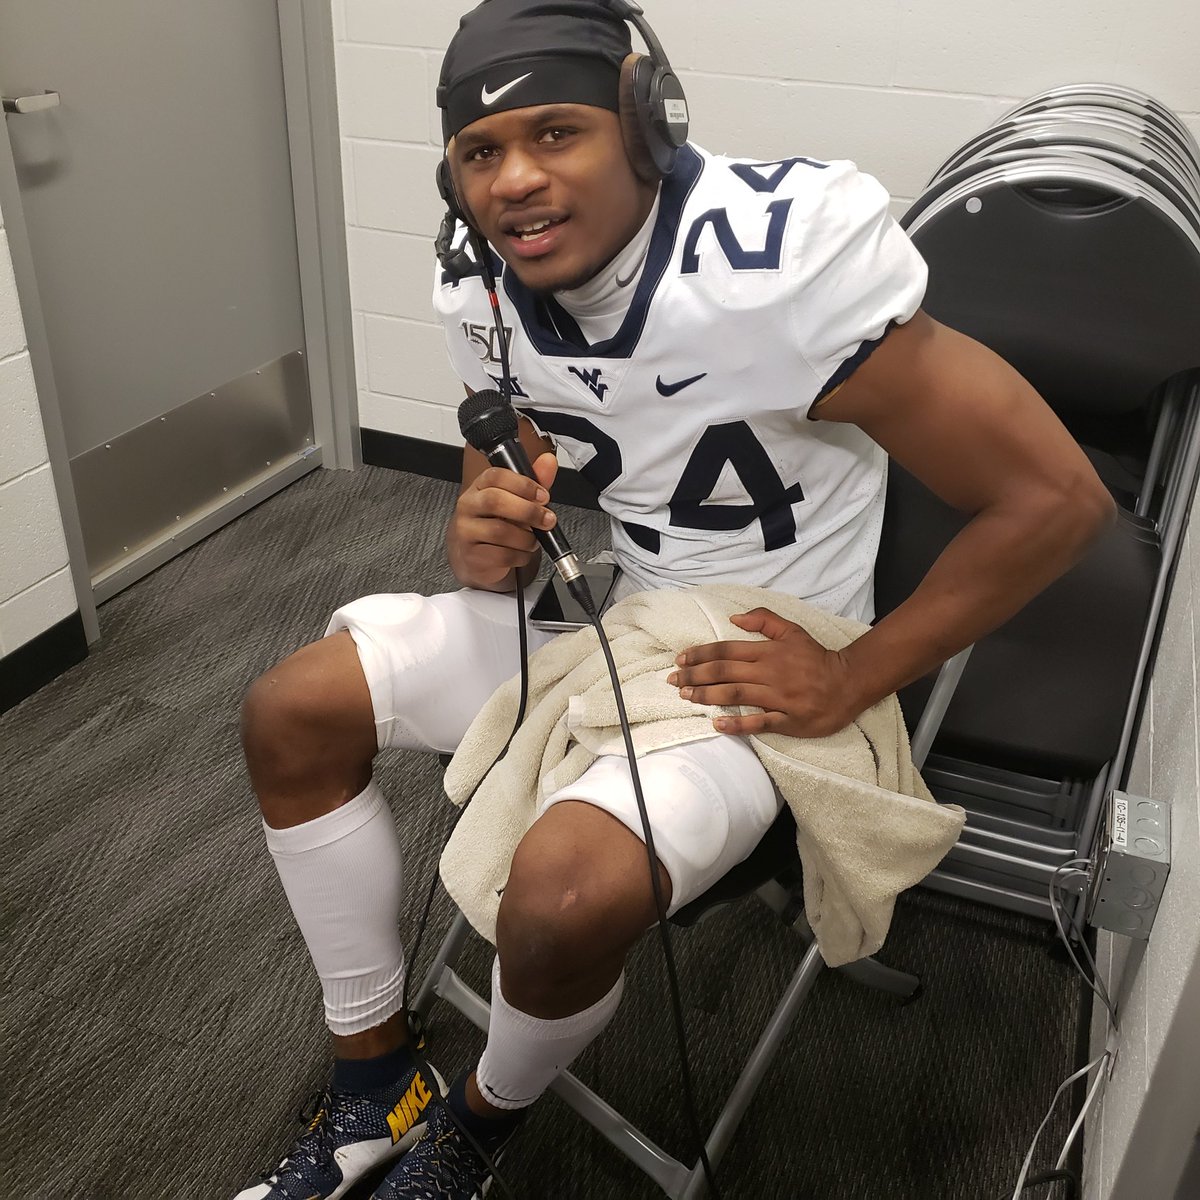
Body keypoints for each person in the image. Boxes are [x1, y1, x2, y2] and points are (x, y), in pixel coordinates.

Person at [233, 1, 1114, 1197]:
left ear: (645, 123)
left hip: (770, 652)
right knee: (291, 710)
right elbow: (510, 444)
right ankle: (373, 1070)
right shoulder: (482, 276)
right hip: (621, 611)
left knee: (560, 896)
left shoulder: (778, 262)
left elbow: (1057, 500)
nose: (517, 181)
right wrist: (486, 517)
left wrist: (856, 677)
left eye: (557, 133)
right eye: (481, 154)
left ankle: (479, 1124)